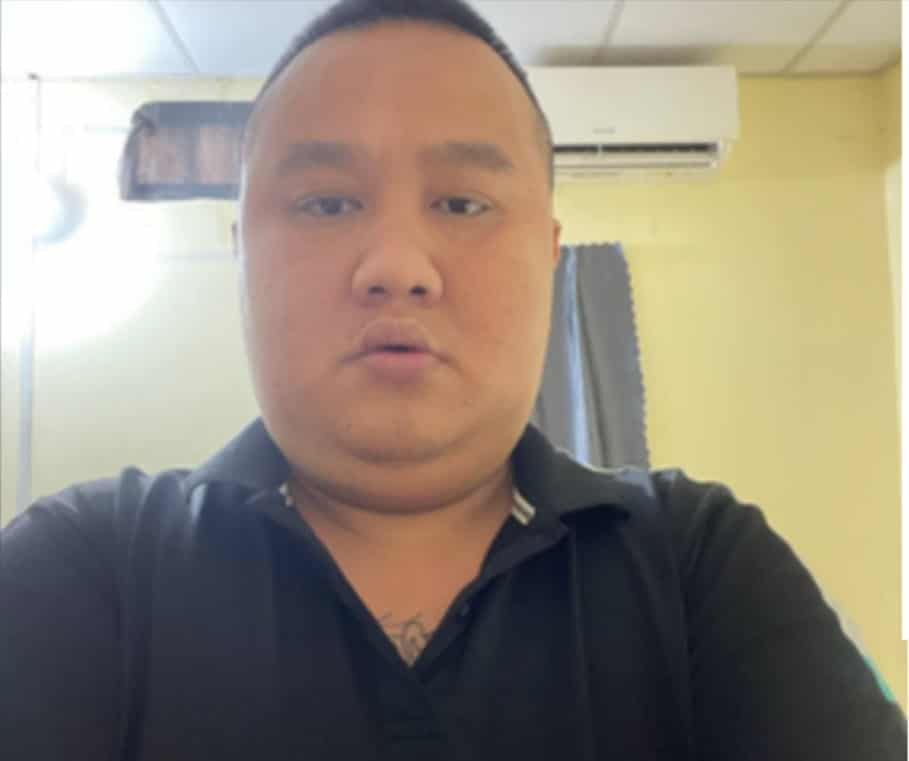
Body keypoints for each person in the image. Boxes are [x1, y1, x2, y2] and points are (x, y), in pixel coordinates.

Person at [2, 0, 905, 759]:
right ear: (242, 256)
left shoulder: (698, 564)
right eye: (326, 202)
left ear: (548, 256)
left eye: (463, 202)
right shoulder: (84, 570)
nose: (397, 266)